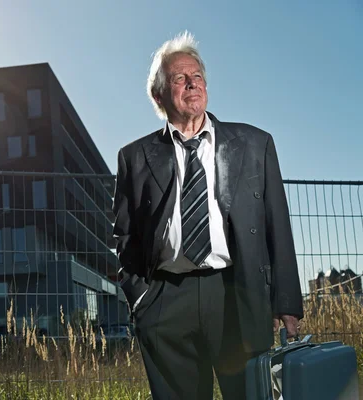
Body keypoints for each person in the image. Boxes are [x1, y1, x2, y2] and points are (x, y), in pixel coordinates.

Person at [112, 31, 303, 399]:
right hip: (166, 298)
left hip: (236, 292)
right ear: (159, 95)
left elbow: (276, 224)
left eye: (197, 75)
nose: (191, 83)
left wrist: (287, 302)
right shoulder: (133, 157)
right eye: (179, 78)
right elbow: (124, 237)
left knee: (249, 394)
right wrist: (142, 301)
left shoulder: (254, 143)